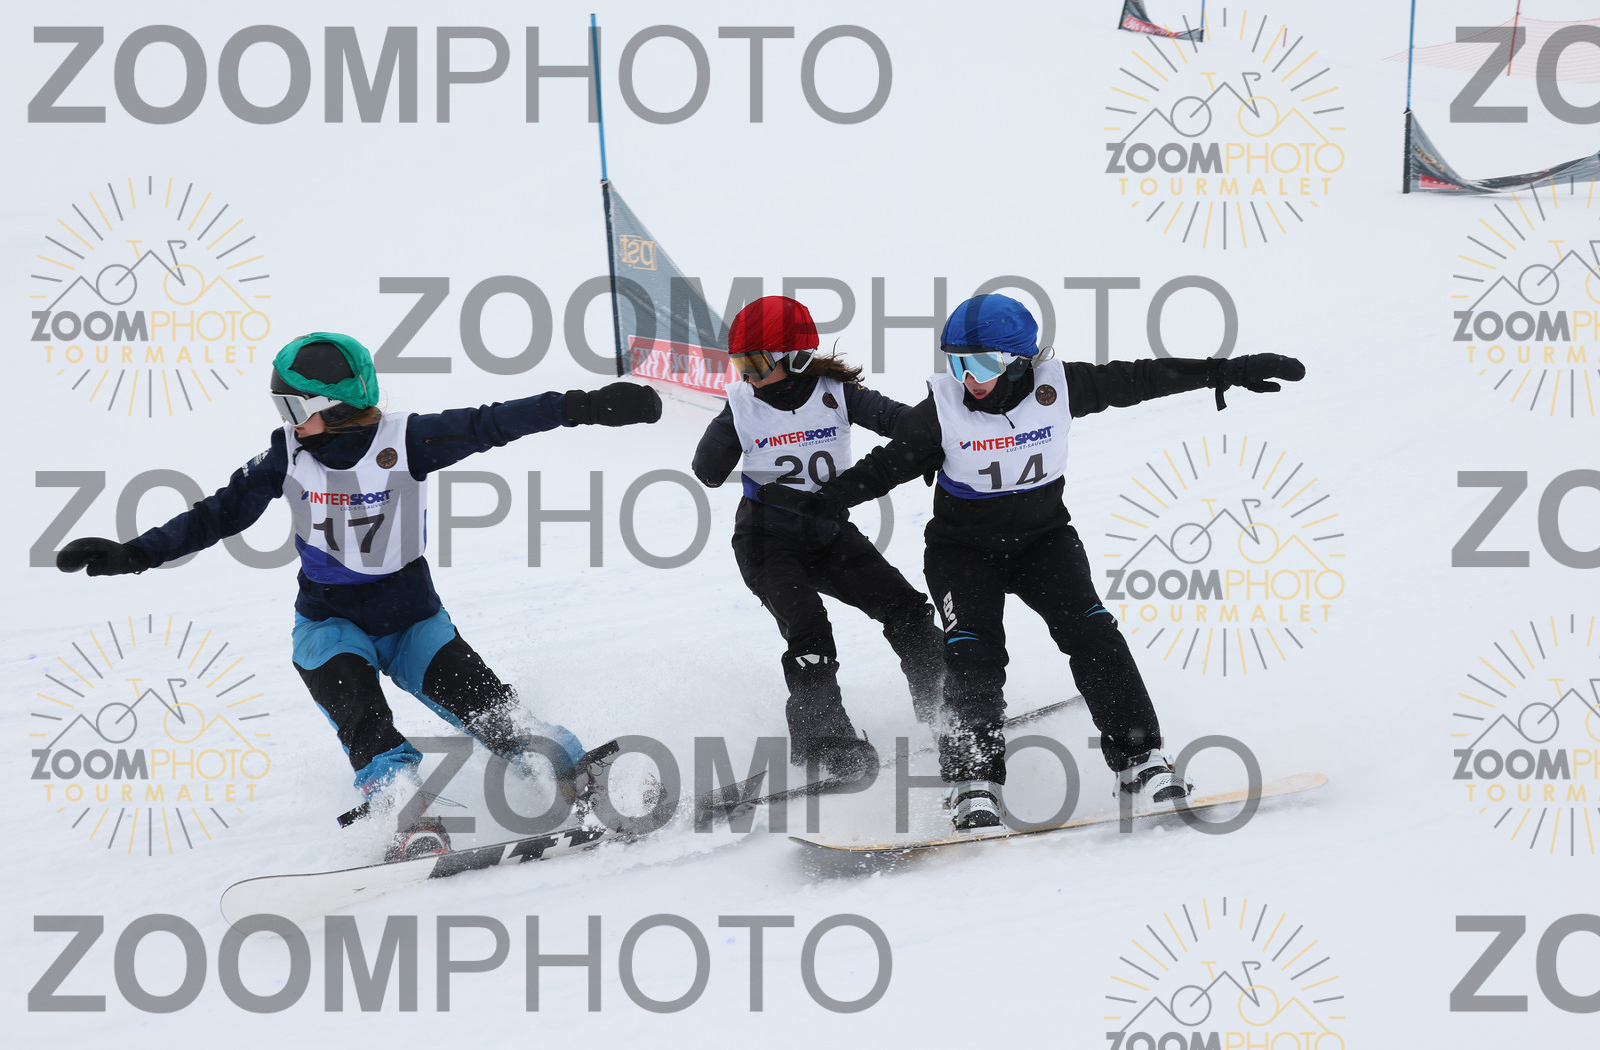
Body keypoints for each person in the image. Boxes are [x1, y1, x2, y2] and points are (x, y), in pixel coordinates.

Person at [56, 332, 663, 857]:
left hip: (414, 622)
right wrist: (135, 553)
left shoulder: (408, 440)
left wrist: (585, 406)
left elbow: (495, 421)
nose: (286, 418)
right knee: (364, 720)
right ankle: (406, 813)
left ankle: (578, 779)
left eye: (292, 405)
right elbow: (218, 513)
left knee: (499, 717)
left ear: (331, 406)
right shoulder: (286, 454)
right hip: (330, 625)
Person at [758, 294, 1305, 830]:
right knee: (972, 654)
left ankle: (1139, 760)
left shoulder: (1058, 389)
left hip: (1044, 543)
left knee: (1094, 634)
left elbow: (1139, 378)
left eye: (982, 364)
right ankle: (974, 780)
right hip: (962, 553)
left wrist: (1223, 371)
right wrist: (819, 503)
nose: (969, 378)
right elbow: (883, 467)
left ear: (1019, 361)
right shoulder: (940, 412)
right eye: (957, 363)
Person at [693, 296, 944, 780]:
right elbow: (707, 471)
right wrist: (735, 424)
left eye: (755, 363)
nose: (747, 376)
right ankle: (826, 743)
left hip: (829, 535)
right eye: (740, 365)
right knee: (809, 630)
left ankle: (946, 704)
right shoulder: (742, 403)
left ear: (795, 357)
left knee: (906, 609)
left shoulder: (837, 393)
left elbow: (905, 424)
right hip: (766, 542)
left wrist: (936, 439)